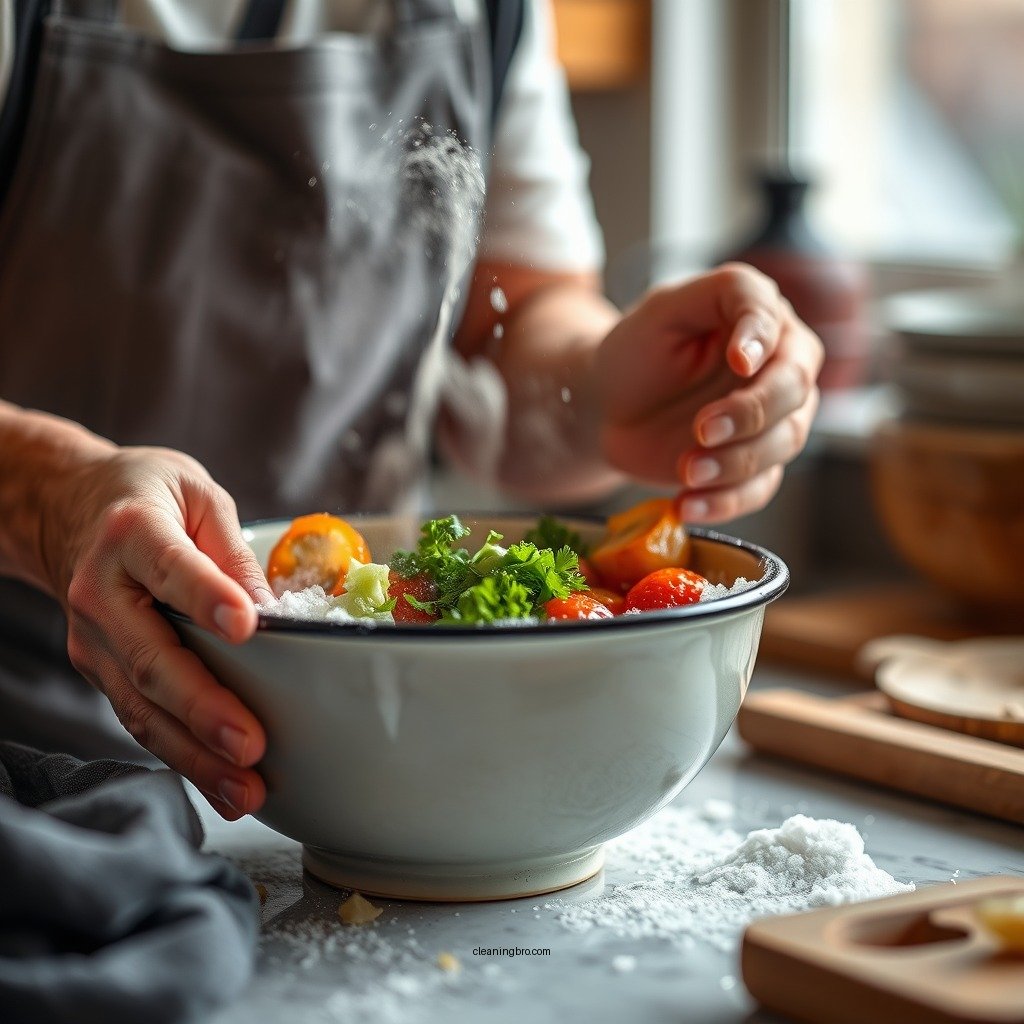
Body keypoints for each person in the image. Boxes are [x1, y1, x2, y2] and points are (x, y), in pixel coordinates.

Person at [0, 0, 822, 821]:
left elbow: (513, 322)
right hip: (35, 760)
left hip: (383, 758)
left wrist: (602, 393)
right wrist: (51, 498)